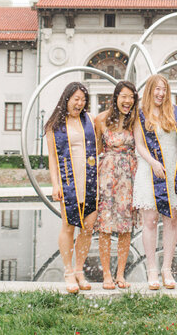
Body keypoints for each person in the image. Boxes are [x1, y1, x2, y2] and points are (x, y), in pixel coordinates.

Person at [132, 74, 177, 290]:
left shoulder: (173, 112)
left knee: (171, 219)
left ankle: (167, 268)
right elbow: (139, 144)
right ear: (149, 90)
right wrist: (153, 163)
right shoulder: (140, 113)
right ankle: (152, 268)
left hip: (171, 170)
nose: (160, 93)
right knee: (150, 220)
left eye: (164, 89)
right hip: (149, 169)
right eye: (157, 89)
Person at [45, 82, 98, 294]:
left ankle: (79, 270)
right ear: (66, 99)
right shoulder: (54, 125)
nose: (79, 103)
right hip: (70, 180)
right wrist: (56, 184)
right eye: (76, 98)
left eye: (83, 99)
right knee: (69, 226)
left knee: (87, 226)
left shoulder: (90, 121)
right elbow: (52, 157)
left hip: (90, 179)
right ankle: (67, 271)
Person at [94, 81, 139, 290]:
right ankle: (106, 274)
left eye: (131, 97)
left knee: (125, 227)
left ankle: (120, 274)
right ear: (116, 97)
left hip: (129, 178)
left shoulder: (135, 121)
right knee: (105, 227)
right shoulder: (101, 120)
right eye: (124, 96)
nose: (128, 101)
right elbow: (95, 152)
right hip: (107, 177)